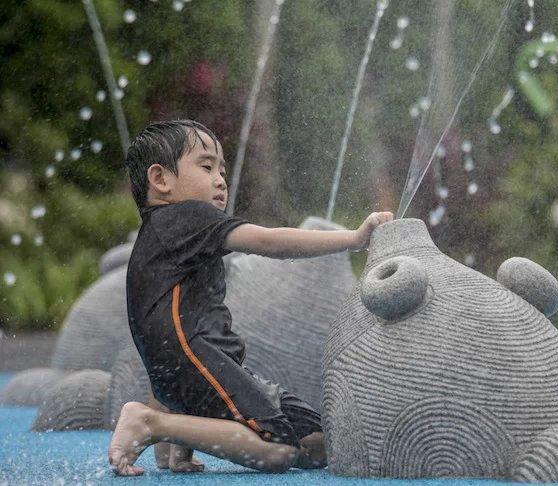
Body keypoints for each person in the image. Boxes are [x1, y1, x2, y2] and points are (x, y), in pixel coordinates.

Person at [109, 119, 392, 476]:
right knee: (277, 451)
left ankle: (178, 429)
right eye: (206, 166)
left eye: (222, 170)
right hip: (198, 362)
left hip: (197, 369)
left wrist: (172, 410)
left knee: (319, 442)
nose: (220, 180)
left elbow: (160, 327)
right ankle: (150, 424)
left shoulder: (165, 234)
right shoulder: (186, 216)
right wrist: (353, 239)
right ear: (161, 180)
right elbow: (269, 242)